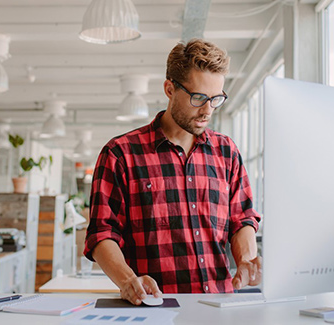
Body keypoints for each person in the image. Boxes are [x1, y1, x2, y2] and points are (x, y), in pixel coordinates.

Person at [84, 39, 262, 305]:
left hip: (219, 306)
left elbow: (242, 219)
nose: (207, 110)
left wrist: (246, 260)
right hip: (153, 307)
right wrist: (127, 280)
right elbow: (102, 234)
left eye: (216, 99)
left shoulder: (226, 152)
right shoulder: (120, 154)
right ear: (170, 89)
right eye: (199, 97)